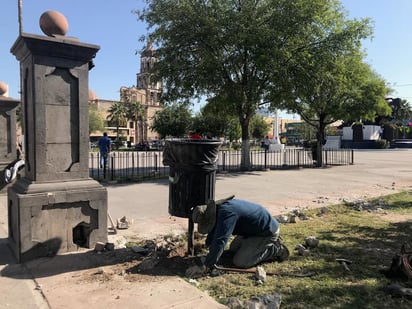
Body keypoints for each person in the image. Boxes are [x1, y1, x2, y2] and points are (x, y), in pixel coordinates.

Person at [186, 196, 289, 278]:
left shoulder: (227, 214)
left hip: (267, 232)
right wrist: (209, 244)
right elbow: (215, 230)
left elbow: (221, 240)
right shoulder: (219, 210)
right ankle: (257, 246)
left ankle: (275, 249)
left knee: (240, 261)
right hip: (252, 231)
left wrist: (207, 266)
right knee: (233, 249)